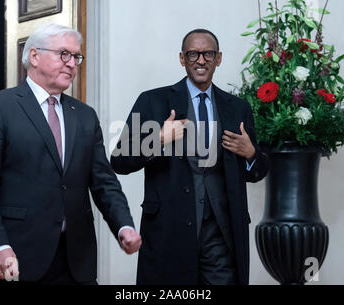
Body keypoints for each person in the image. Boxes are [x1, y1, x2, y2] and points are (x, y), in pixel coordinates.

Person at [0, 23, 141, 285]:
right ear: (34, 56)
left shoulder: (84, 115)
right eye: (64, 54)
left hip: (74, 262)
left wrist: (124, 225)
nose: (72, 63)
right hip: (13, 257)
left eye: (77, 56)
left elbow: (103, 181)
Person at [110, 29, 269, 285]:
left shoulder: (237, 108)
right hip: (169, 229)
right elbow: (119, 161)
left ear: (218, 59)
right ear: (182, 59)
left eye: (208, 54)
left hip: (222, 232)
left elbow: (257, 171)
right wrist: (158, 139)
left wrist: (250, 153)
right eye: (193, 54)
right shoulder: (153, 101)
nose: (201, 60)